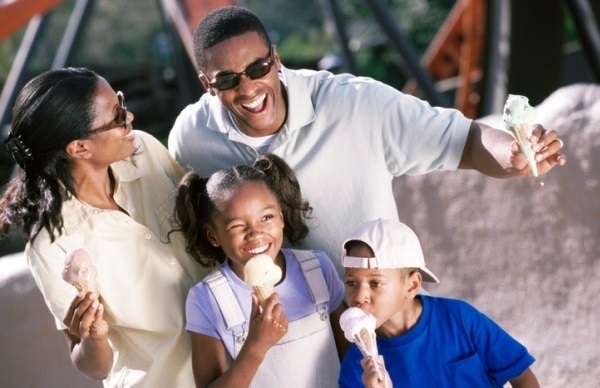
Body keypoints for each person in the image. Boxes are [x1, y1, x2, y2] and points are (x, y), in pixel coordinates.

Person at [168, 6, 567, 277]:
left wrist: (512, 153)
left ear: (276, 58)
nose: (249, 86)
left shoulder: (356, 103)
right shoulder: (191, 138)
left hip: (373, 314)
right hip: (279, 340)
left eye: (258, 67)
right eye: (228, 79)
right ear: (207, 85)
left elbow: (467, 139)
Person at [0, 68, 207, 387]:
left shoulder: (146, 151)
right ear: (79, 148)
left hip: (240, 359)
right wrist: (93, 338)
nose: (130, 117)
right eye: (117, 116)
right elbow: (95, 367)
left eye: (121, 103)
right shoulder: (52, 246)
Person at [171, 153, 348, 387]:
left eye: (266, 217)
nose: (255, 233)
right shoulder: (205, 298)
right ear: (213, 235)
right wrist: (255, 347)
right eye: (237, 225)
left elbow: (350, 358)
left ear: (282, 218)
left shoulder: (317, 268)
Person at [338, 219, 539, 388]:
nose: (359, 296)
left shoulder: (459, 319)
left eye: (376, 283)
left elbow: (522, 376)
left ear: (411, 285)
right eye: (351, 282)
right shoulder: (357, 367)